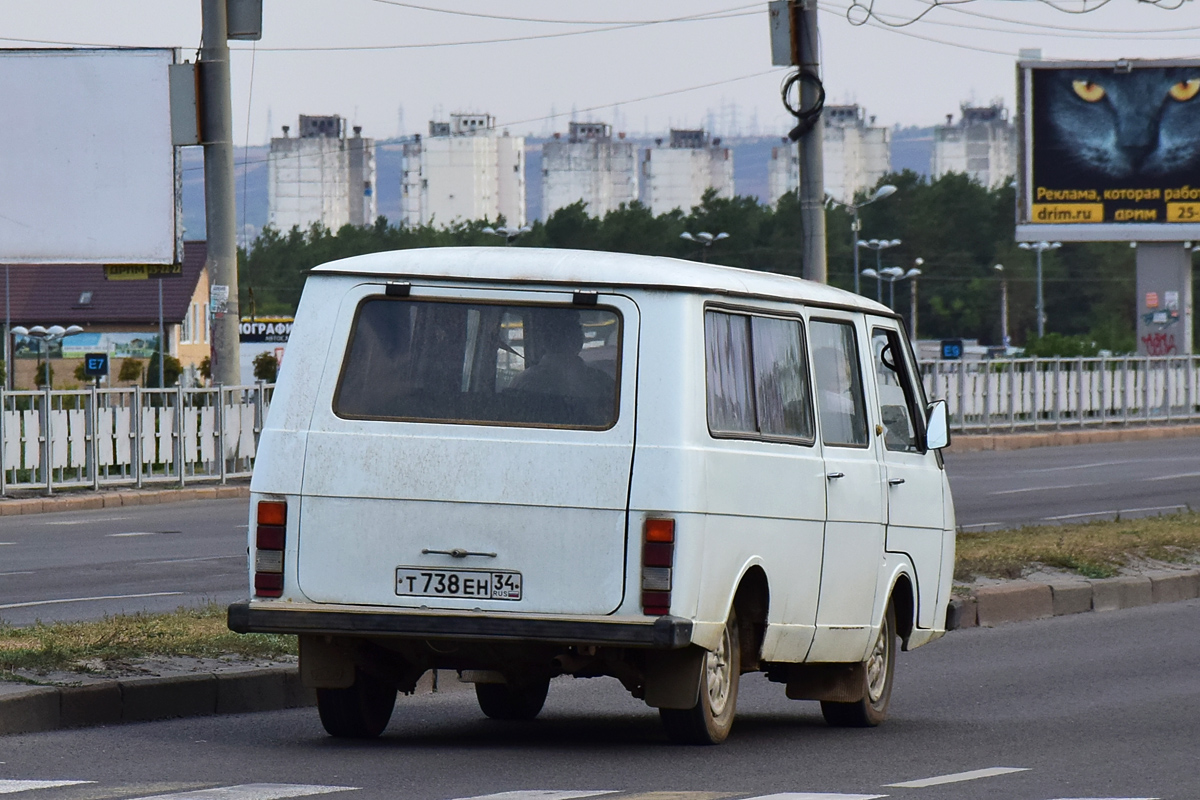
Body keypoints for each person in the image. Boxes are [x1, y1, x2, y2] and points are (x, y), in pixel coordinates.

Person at [509, 310, 615, 424]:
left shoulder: (522, 382)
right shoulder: (600, 382)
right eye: (578, 329)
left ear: (543, 340)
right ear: (579, 339)